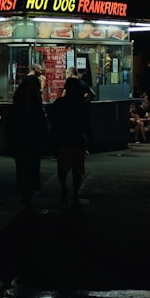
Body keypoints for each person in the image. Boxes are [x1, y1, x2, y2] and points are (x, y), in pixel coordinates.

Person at [46, 77, 91, 208]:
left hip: (63, 139)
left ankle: (64, 187)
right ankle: (75, 193)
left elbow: (51, 117)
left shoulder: (60, 102)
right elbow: (86, 123)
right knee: (77, 170)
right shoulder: (81, 105)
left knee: (62, 168)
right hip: (77, 140)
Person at [10, 63, 48, 209]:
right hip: (32, 142)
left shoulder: (18, 106)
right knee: (32, 167)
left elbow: (11, 126)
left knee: (22, 168)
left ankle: (25, 194)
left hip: (21, 142)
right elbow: (43, 126)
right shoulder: (36, 108)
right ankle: (29, 194)